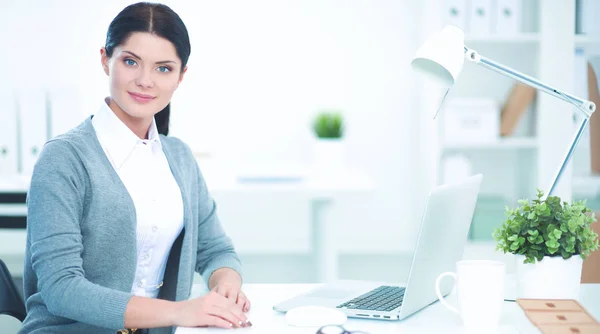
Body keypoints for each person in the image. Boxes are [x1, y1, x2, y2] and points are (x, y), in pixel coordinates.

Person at [19, 2, 251, 333]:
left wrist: (226, 282)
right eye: (131, 62)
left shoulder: (180, 159)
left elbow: (216, 250)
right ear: (105, 59)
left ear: (181, 76)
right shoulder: (64, 159)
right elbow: (61, 289)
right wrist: (178, 312)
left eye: (163, 68)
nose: (145, 81)